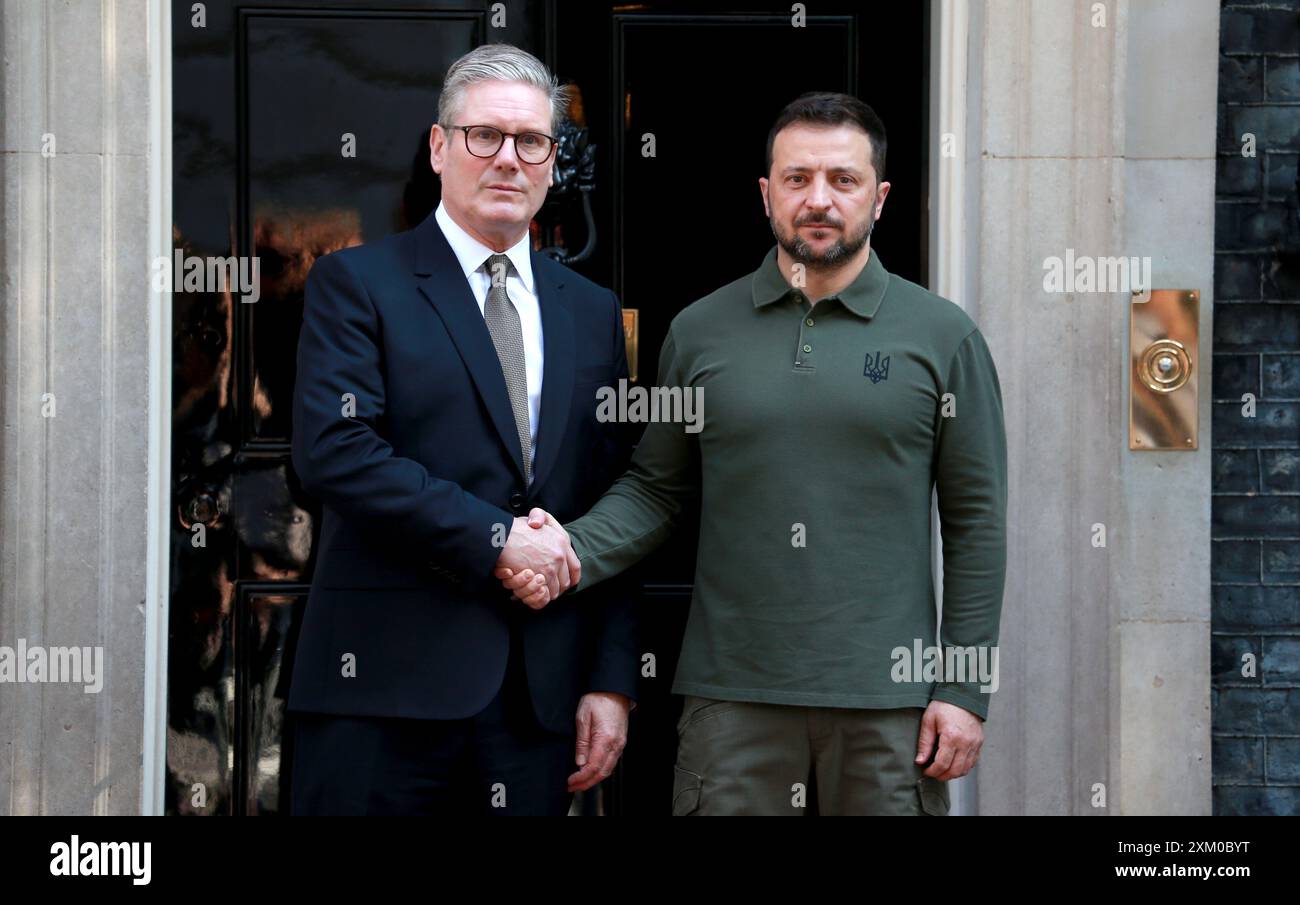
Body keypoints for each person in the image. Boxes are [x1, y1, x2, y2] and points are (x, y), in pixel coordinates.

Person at [499, 92, 1008, 816]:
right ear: (767, 194)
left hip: (889, 702)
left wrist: (962, 690)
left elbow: (977, 524)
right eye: (798, 179)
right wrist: (563, 549)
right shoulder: (701, 331)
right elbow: (656, 490)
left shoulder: (943, 337)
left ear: (881, 196)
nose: (820, 200)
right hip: (731, 698)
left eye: (843, 179)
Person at [288, 43, 637, 815]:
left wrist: (611, 679)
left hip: (536, 707)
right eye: (485, 136)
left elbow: (614, 495)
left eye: (532, 142)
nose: (508, 159)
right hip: (379, 697)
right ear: (440, 147)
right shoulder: (357, 283)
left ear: (551, 162)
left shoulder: (590, 310)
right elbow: (335, 453)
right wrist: (498, 538)